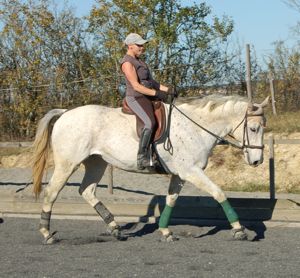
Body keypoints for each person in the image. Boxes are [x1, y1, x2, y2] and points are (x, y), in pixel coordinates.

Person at [120, 33, 174, 170]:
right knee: (149, 122)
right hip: (135, 97)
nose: (142, 47)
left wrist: (168, 90)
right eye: (139, 45)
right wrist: (157, 93)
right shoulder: (127, 63)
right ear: (130, 46)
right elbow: (137, 86)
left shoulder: (141, 62)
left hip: (146, 95)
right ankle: (142, 157)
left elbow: (152, 82)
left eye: (143, 45)